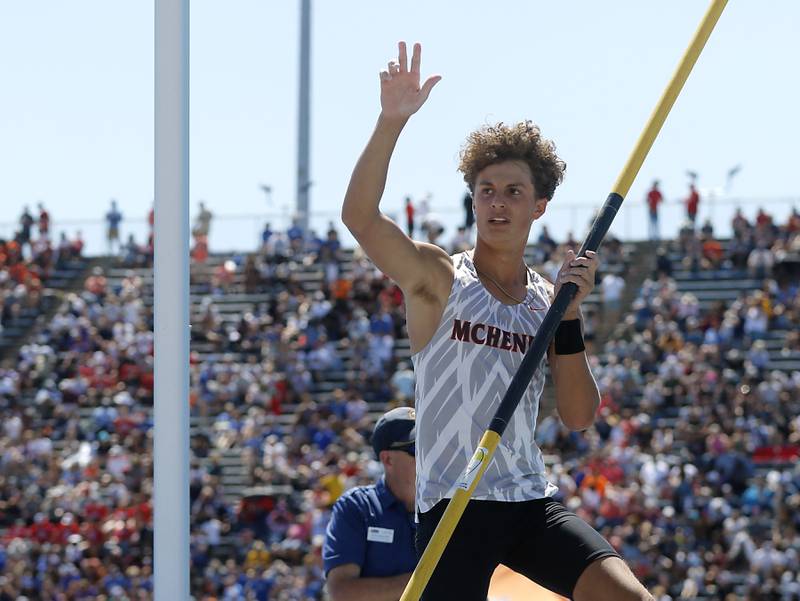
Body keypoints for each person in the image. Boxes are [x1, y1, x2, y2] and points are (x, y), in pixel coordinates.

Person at [341, 41, 652, 601]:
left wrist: (571, 317)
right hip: (454, 506)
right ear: (474, 202)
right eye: (486, 191)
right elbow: (359, 218)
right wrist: (391, 122)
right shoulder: (439, 278)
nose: (498, 203)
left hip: (528, 499)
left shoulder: (546, 300)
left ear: (539, 206)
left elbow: (580, 417)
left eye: (514, 191)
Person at [323, 407, 417, 601]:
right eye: (416, 449)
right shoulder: (357, 507)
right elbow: (341, 592)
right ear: (387, 459)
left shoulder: (448, 506)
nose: (428, 457)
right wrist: (427, 581)